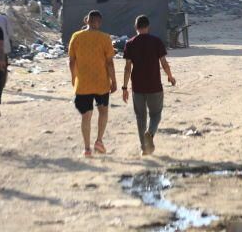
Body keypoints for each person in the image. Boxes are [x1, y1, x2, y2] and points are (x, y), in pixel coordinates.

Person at [122, 15, 176, 156]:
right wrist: (170, 77)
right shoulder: (156, 42)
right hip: (154, 86)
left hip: (138, 87)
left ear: (136, 27)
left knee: (141, 117)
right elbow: (163, 62)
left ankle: (143, 148)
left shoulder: (130, 43)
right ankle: (150, 133)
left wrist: (124, 87)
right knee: (156, 114)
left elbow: (128, 68)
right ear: (148, 26)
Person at [67, 10, 117, 157]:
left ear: (87, 21)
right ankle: (99, 141)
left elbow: (71, 61)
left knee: (86, 116)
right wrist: (114, 81)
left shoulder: (76, 37)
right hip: (101, 83)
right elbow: (109, 62)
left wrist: (73, 77)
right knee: (103, 111)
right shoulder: (105, 38)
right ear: (99, 22)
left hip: (83, 84)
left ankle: (87, 149)